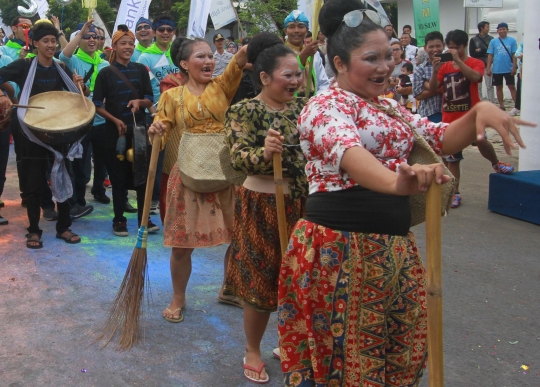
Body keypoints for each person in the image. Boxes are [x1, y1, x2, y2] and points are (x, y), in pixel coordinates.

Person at [276, 1, 532, 386]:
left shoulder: (388, 107)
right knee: (347, 365)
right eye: (371, 58)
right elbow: (351, 155)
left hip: (392, 249)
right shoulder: (324, 106)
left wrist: (479, 114)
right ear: (341, 63)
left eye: (389, 56)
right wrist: (399, 181)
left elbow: (442, 138)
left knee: (396, 357)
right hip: (339, 250)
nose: (384, 67)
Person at [222, 32, 308, 384]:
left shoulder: (305, 109)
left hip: (303, 203)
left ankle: (291, 341)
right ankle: (253, 349)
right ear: (264, 77)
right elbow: (239, 159)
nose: (295, 81)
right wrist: (265, 152)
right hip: (260, 204)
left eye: (298, 74)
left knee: (301, 276)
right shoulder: (244, 110)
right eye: (288, 74)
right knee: (260, 279)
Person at [147, 37, 249, 324]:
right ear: (184, 63)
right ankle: (178, 297)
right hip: (188, 174)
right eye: (200, 57)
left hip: (226, 172)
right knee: (181, 245)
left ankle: (230, 288)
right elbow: (162, 130)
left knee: (238, 238)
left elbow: (240, 59)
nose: (208, 61)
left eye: (210, 56)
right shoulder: (171, 96)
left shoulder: (222, 86)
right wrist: (156, 129)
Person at [0, 22, 89, 248]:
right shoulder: (23, 66)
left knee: (63, 177)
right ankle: (33, 230)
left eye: (53, 41)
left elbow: (80, 96)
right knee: (33, 183)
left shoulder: (60, 67)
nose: (51, 45)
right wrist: (4, 95)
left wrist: (81, 86)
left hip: (58, 133)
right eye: (46, 41)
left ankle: (64, 227)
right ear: (35, 43)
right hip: (30, 133)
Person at [431, 29, 516, 208]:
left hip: (471, 116)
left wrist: (459, 61)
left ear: (464, 46)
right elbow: (434, 87)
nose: (452, 50)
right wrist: (434, 70)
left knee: (482, 141)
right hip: (450, 118)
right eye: (450, 47)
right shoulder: (445, 66)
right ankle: (455, 192)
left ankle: (496, 163)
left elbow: (476, 77)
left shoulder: (474, 62)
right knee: (453, 158)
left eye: (456, 47)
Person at [92, 25, 157, 236]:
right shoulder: (105, 73)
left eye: (131, 43)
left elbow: (149, 99)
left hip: (139, 132)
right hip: (114, 134)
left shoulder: (140, 70)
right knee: (118, 178)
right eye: (123, 43)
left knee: (141, 177)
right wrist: (115, 120)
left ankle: (143, 219)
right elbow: (96, 104)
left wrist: (139, 101)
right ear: (114, 47)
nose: (128, 47)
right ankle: (119, 219)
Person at [60, 20, 109, 218]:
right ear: (79, 40)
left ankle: (97, 192)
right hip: (80, 122)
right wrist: (79, 33)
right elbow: (63, 54)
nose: (91, 40)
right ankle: (76, 204)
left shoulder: (104, 63)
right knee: (80, 167)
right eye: (87, 37)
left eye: (95, 37)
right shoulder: (73, 60)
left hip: (101, 120)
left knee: (102, 162)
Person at [138, 16, 179, 217]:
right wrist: (153, 113)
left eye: (168, 30)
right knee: (157, 160)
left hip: (180, 116)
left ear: (173, 32)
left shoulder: (180, 54)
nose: (165, 33)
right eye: (161, 29)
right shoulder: (145, 57)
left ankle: (173, 197)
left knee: (177, 159)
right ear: (154, 32)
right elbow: (142, 88)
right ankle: (154, 199)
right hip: (154, 115)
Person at [283, 10, 330, 96]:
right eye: (291, 27)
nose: (296, 30)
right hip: (289, 104)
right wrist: (304, 55)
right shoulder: (280, 53)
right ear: (285, 31)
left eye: (301, 26)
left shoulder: (315, 54)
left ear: (307, 30)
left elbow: (324, 83)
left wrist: (315, 101)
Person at [413, 31, 445, 123]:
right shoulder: (420, 69)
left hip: (449, 112)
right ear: (425, 48)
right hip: (428, 114)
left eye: (438, 46)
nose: (435, 49)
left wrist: (427, 85)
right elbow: (418, 95)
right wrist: (441, 88)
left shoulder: (450, 65)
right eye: (431, 46)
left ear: (443, 45)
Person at [486, 22, 517, 111]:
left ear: (507, 30)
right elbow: (490, 55)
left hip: (509, 68)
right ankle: (501, 105)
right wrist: (488, 68)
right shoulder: (493, 41)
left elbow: (514, 54)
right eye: (500, 29)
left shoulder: (512, 40)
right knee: (498, 87)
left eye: (504, 29)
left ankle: (517, 105)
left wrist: (514, 66)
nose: (502, 31)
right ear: (497, 31)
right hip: (497, 69)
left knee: (511, 86)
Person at [469, 21, 494, 103]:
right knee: (478, 85)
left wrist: (479, 50)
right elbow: (472, 53)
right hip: (477, 65)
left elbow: (492, 52)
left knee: (489, 84)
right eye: (487, 27)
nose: (488, 28)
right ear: (481, 28)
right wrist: (483, 51)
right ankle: (479, 101)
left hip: (488, 64)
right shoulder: (473, 39)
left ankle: (492, 101)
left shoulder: (491, 39)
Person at [512, 41, 523, 116]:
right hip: (521, 71)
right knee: (520, 89)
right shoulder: (523, 44)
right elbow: (516, 54)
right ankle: (517, 107)